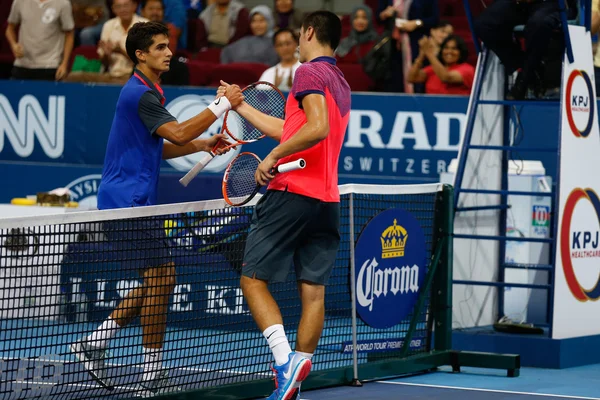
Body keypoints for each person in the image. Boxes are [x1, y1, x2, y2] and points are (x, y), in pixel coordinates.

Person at [70, 21, 243, 397]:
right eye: (161, 47)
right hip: (125, 203)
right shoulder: (140, 95)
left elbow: (162, 145)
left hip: (133, 201)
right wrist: (223, 103)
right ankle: (150, 372)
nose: (169, 52)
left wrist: (202, 145)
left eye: (168, 46)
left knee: (158, 279)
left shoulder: (150, 92)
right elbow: (178, 132)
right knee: (163, 277)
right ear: (141, 55)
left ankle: (95, 343)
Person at [219, 10, 351, 400]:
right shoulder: (340, 81)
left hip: (291, 192)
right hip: (326, 201)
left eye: (299, 32)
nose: (296, 40)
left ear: (310, 31)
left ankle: (283, 361)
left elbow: (317, 127)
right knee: (313, 294)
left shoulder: (308, 71)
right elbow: (296, 126)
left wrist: (273, 156)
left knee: (252, 280)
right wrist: (239, 105)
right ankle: (296, 369)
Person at [474, 0, 568, 100]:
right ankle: (529, 69)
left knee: (538, 24)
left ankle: (524, 79)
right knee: (483, 24)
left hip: (552, 4)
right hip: (519, 4)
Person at [66, 0, 148, 83]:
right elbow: (104, 63)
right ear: (113, 9)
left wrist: (121, 51)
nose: (123, 9)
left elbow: (145, 62)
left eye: (126, 5)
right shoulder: (108, 25)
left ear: (134, 6)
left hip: (134, 77)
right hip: (111, 75)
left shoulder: (145, 25)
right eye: (118, 6)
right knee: (73, 77)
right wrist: (106, 54)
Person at [377, 0, 439, 93]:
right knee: (394, 80)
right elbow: (378, 18)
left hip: (417, 44)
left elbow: (434, 19)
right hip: (393, 45)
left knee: (417, 78)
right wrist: (385, 14)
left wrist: (417, 23)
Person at [6, 0, 75, 81]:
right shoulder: (19, 2)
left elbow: (69, 35)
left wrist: (64, 64)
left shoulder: (63, 3)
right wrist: (13, 45)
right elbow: (10, 29)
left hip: (50, 65)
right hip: (22, 64)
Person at [407, 34, 474, 95]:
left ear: (461, 52)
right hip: (430, 106)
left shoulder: (467, 69)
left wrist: (429, 53)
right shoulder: (433, 69)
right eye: (446, 48)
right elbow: (411, 78)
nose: (449, 51)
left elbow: (446, 77)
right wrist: (421, 55)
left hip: (456, 107)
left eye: (454, 48)